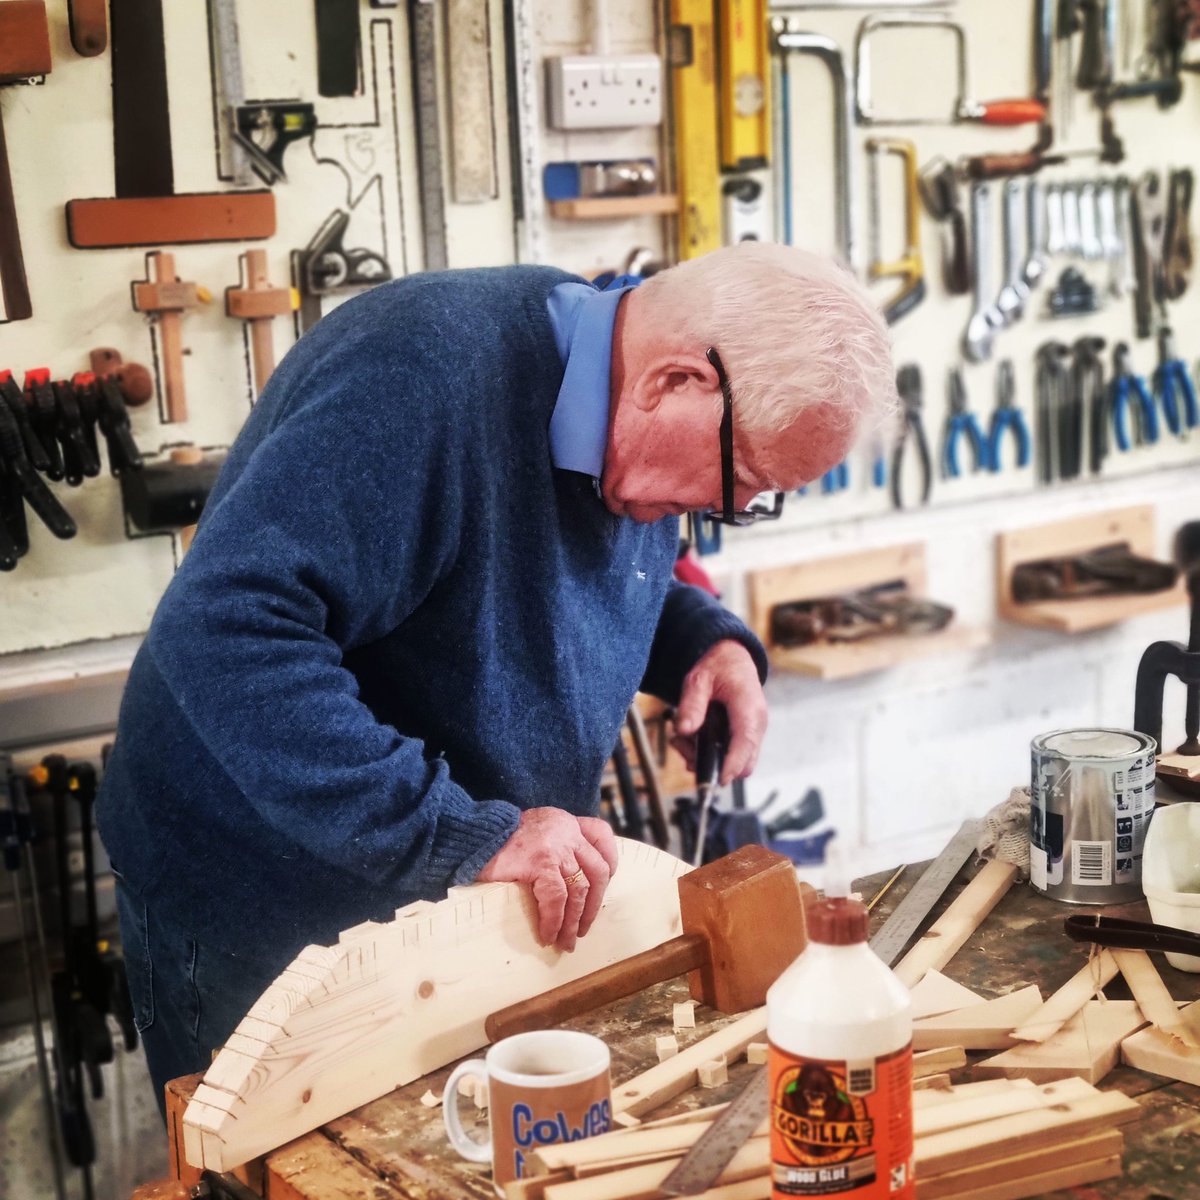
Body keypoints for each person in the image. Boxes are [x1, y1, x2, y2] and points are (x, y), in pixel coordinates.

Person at [96, 241, 895, 1106]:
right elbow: (226, 631)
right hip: (266, 901)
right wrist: (464, 834)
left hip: (447, 895)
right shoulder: (418, 380)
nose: (726, 514)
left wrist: (700, 639)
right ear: (674, 382)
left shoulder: (628, 408)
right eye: (740, 482)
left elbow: (541, 566)